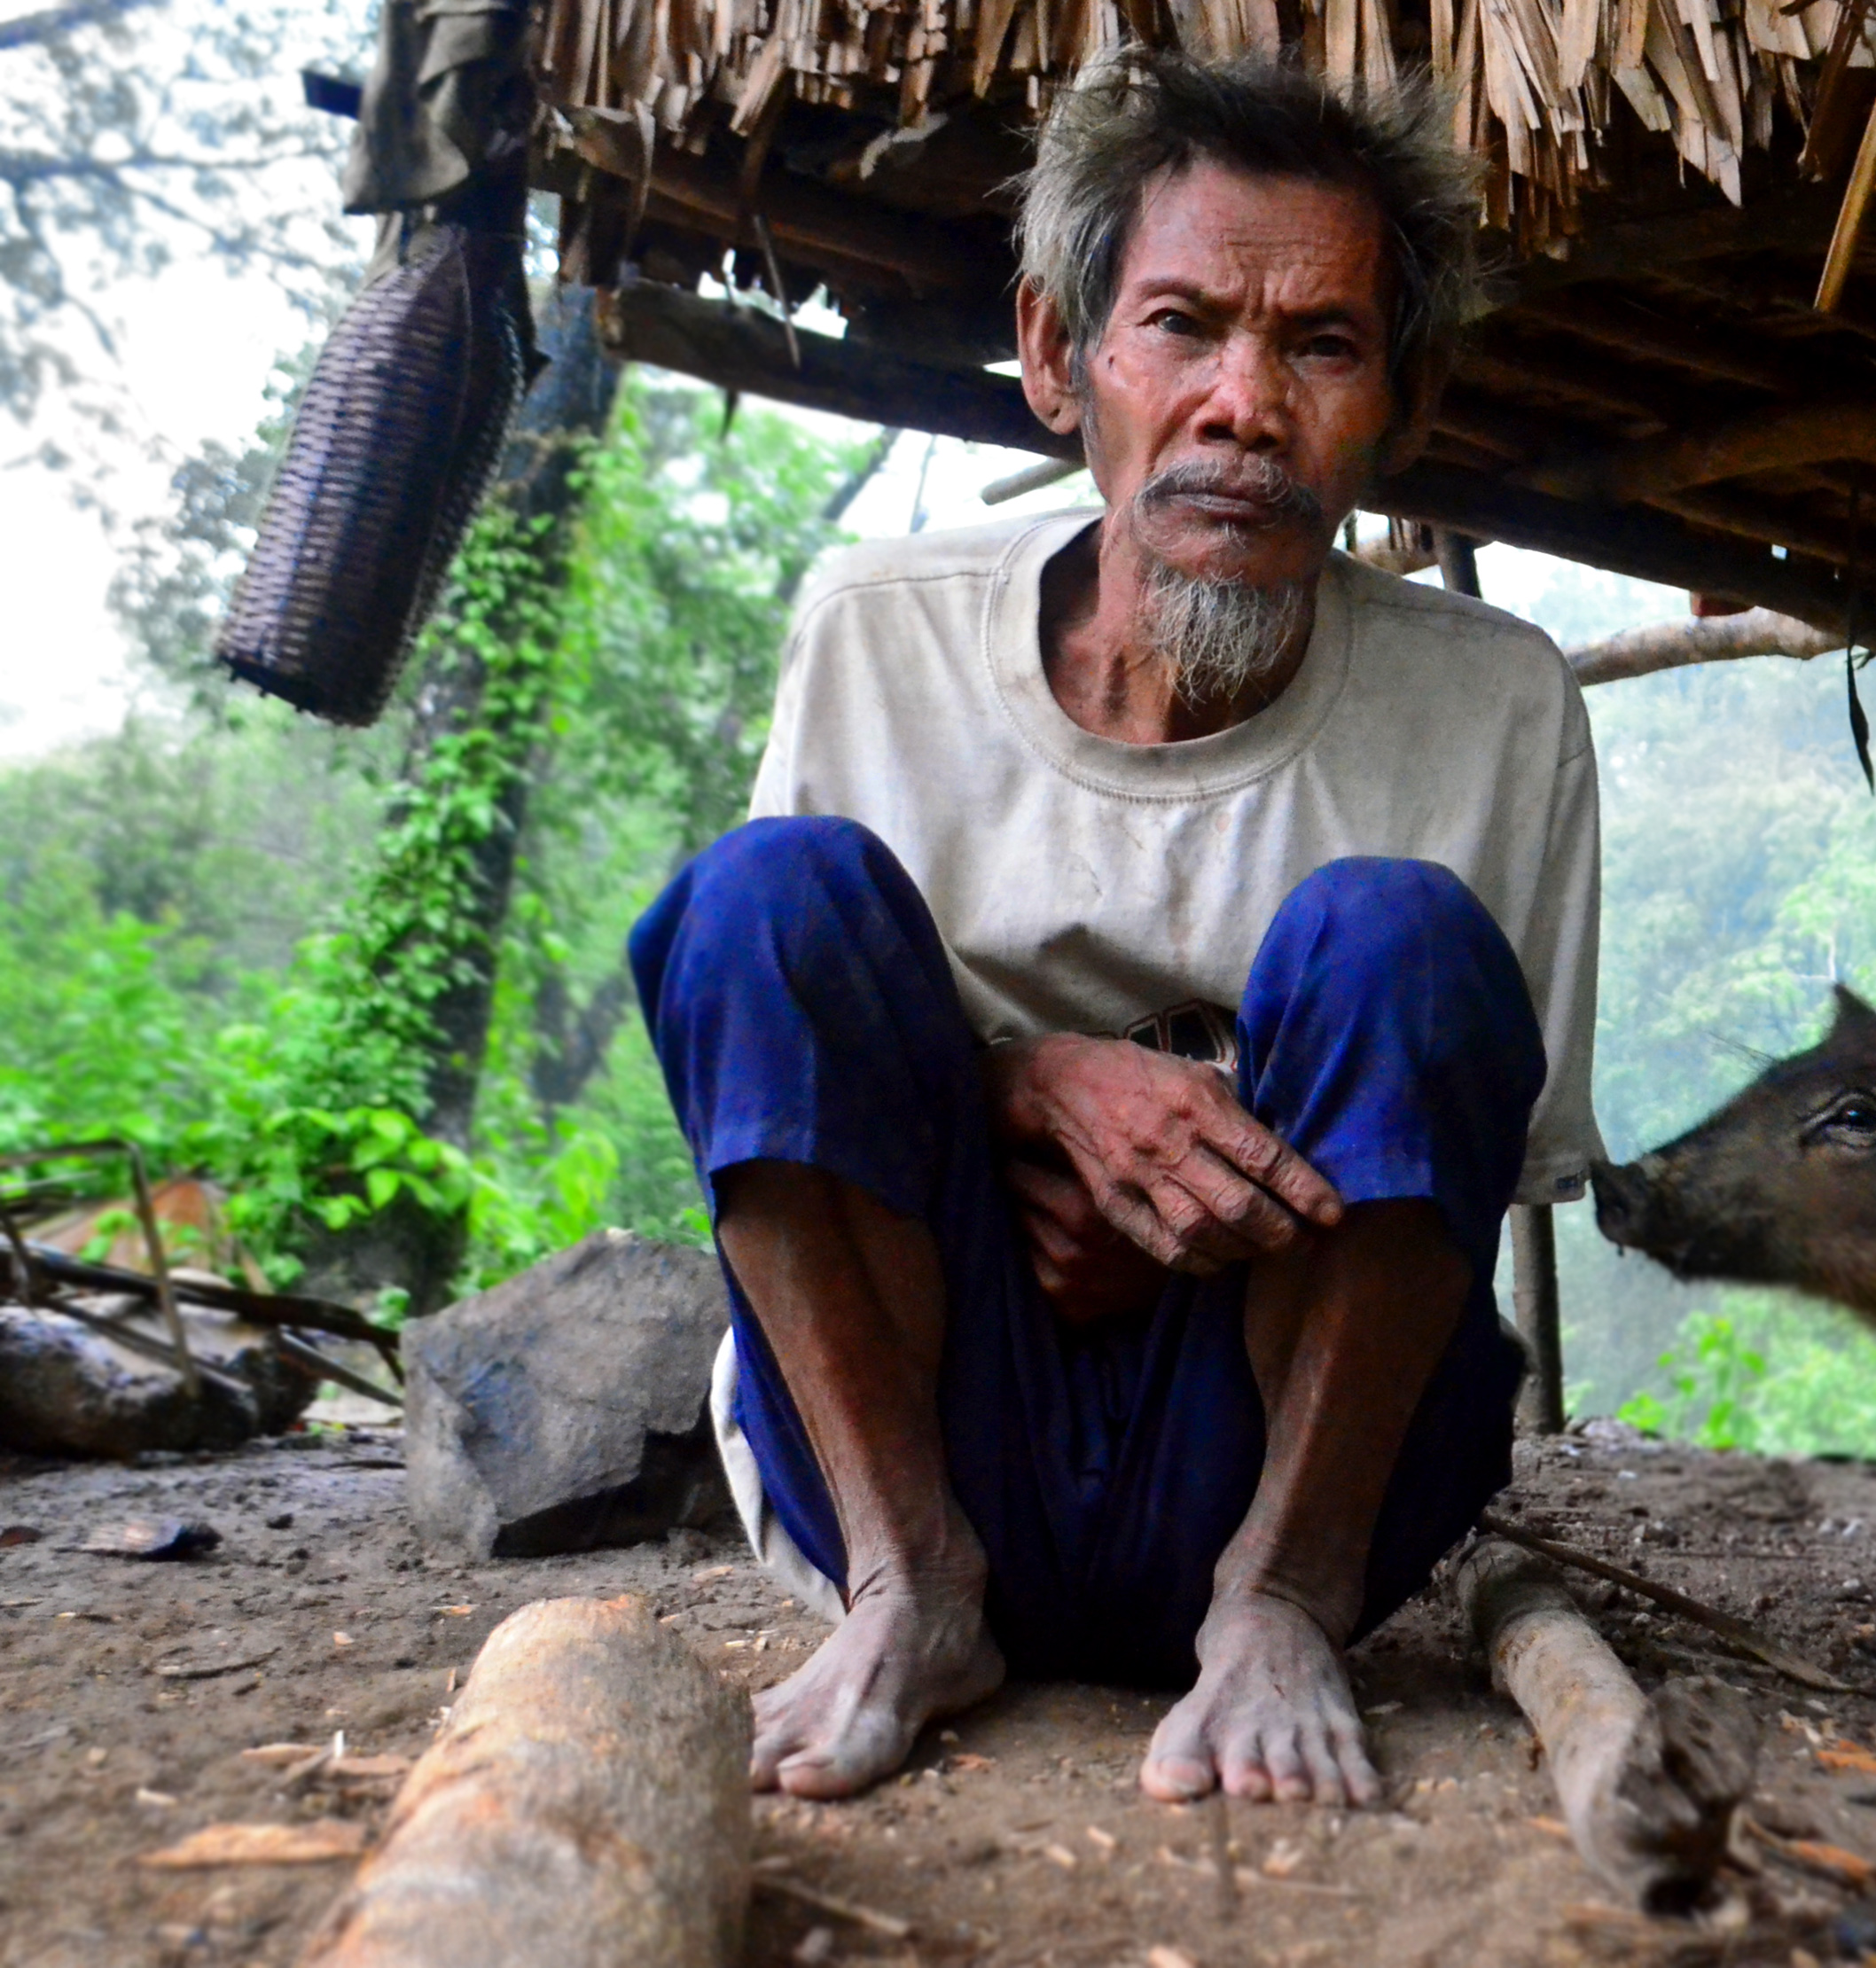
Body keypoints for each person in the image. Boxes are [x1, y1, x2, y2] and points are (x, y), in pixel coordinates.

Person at [627, 50, 1600, 1810]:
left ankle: (1278, 1608)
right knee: (753, 903)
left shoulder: (1498, 707)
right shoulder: (879, 634)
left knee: (1400, 941)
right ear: (1060, 354)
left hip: (1294, 1447)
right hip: (925, 1433)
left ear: (1406, 399)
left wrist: (1187, 1181)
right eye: (1181, 326)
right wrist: (1031, 1087)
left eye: (1319, 343)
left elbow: (1454, 1173)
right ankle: (909, 1595)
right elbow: (787, 1051)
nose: (1244, 402)